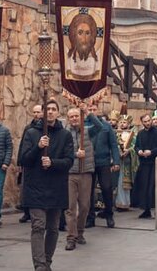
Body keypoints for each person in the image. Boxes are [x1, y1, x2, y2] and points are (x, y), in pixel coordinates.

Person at [19, 99, 74, 271]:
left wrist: (53, 163)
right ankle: (40, 265)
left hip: (56, 187)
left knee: (53, 228)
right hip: (35, 186)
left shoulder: (65, 135)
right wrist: (38, 147)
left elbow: (69, 161)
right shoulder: (31, 133)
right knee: (38, 226)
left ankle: (47, 261)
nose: (50, 112)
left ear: (58, 112)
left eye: (53, 109)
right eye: (47, 109)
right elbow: (23, 160)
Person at [84, 102, 121, 228]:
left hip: (103, 161)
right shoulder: (84, 125)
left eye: (94, 109)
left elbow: (113, 144)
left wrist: (116, 161)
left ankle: (109, 214)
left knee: (106, 188)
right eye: (90, 109)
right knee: (88, 191)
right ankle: (90, 217)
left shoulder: (106, 126)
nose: (92, 111)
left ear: (98, 110)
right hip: (88, 162)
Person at [64, 107, 95, 251]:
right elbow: (62, 151)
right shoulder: (65, 134)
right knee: (70, 207)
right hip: (70, 173)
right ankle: (71, 237)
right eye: (71, 117)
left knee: (84, 206)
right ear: (68, 118)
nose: (74, 119)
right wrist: (75, 154)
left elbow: (101, 127)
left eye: (76, 116)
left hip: (85, 172)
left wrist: (88, 113)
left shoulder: (88, 131)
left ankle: (80, 232)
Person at [132, 113, 157, 219]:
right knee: (143, 187)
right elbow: (136, 146)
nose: (147, 123)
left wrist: (151, 152)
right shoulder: (141, 133)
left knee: (152, 187)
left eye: (148, 121)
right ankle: (146, 210)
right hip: (144, 163)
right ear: (142, 123)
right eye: (145, 122)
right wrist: (139, 151)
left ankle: (155, 210)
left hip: (154, 163)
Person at [18, 104, 42, 223]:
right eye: (34, 112)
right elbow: (22, 145)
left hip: (39, 162)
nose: (36, 114)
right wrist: (19, 162)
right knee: (25, 188)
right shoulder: (28, 128)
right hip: (27, 161)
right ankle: (26, 212)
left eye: (38, 112)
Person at [64, 12, 100, 81]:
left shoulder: (96, 57)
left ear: (92, 35)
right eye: (80, 33)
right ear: (74, 34)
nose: (84, 39)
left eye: (87, 33)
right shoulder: (69, 57)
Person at [115, 114, 138, 211]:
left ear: (129, 124)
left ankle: (125, 203)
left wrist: (128, 151)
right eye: (121, 122)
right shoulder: (117, 134)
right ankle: (118, 203)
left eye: (124, 122)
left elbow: (134, 146)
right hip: (118, 160)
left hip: (128, 161)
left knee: (125, 184)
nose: (122, 124)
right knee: (118, 182)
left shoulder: (132, 135)